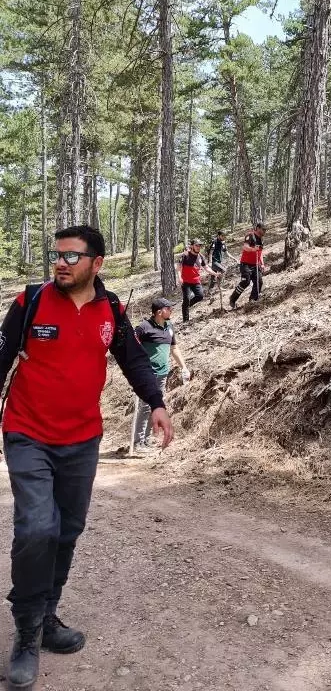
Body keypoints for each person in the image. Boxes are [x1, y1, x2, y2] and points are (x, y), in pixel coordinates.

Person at [0, 225, 173, 690]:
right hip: (26, 432)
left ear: (97, 263)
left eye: (72, 256)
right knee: (37, 527)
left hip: (81, 439)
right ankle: (26, 634)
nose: (60, 262)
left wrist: (155, 403)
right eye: (57, 254)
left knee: (67, 531)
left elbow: (134, 359)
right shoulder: (30, 301)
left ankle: (46, 615)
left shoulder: (110, 308)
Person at [131, 298, 189, 453]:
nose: (171, 311)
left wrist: (183, 367)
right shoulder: (144, 328)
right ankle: (138, 442)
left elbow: (174, 348)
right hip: (147, 374)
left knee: (155, 407)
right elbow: (131, 346)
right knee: (144, 407)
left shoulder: (169, 327)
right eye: (168, 309)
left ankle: (146, 438)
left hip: (163, 374)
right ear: (159, 312)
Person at [179, 238, 218, 322]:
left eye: (200, 246)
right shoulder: (185, 255)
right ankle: (185, 321)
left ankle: (185, 306)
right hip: (186, 281)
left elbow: (206, 267)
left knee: (200, 296)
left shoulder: (200, 256)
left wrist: (215, 273)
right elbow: (179, 267)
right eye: (197, 245)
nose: (198, 247)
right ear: (192, 246)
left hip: (196, 281)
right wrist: (179, 277)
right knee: (186, 298)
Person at [229, 223, 266, 309]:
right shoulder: (250, 235)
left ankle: (252, 301)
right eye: (263, 229)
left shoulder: (261, 239)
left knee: (259, 282)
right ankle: (233, 299)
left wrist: (262, 264)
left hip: (256, 264)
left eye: (265, 230)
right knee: (246, 282)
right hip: (245, 264)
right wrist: (253, 249)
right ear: (257, 228)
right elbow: (245, 247)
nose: (264, 231)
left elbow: (260, 253)